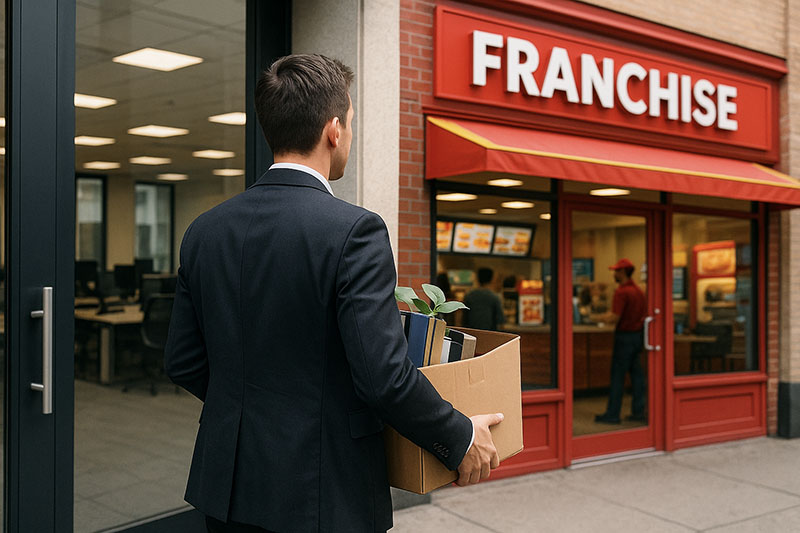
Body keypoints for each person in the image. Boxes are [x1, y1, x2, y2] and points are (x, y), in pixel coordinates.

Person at [164, 54, 503, 533]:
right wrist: (459, 434)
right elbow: (382, 376)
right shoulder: (354, 231)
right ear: (333, 130)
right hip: (321, 493)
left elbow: (182, 360)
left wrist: (251, 411)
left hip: (228, 487)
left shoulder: (204, 230)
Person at [594, 258, 647, 424]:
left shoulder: (622, 292)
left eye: (616, 271)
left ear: (622, 272)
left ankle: (612, 413)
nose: (614, 274)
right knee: (637, 376)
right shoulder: (638, 291)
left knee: (617, 376)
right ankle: (639, 411)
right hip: (637, 337)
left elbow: (614, 317)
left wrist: (595, 317)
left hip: (624, 337)